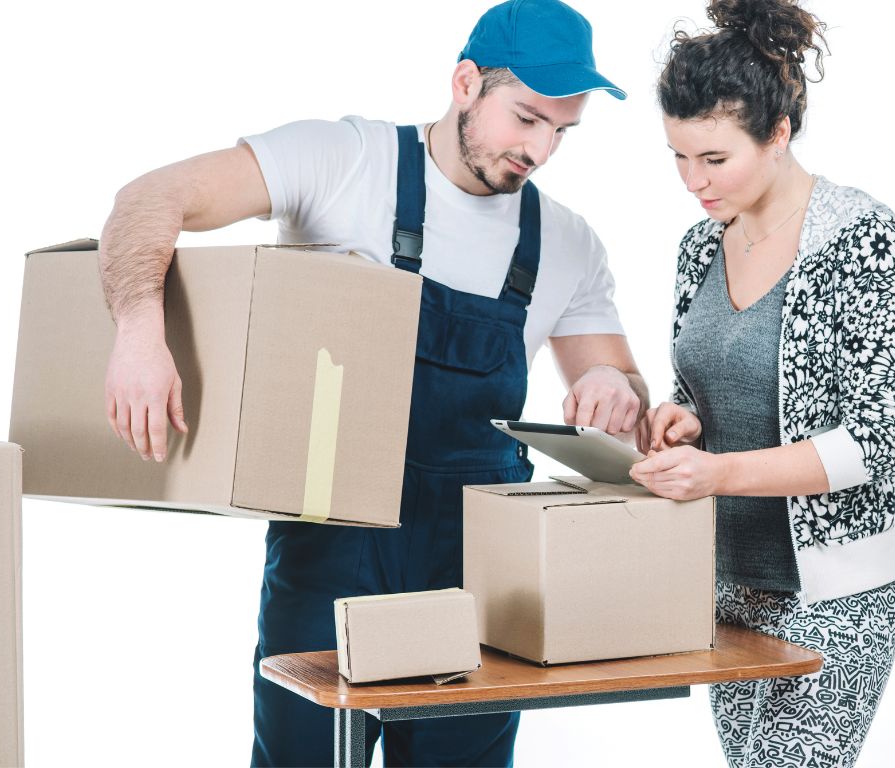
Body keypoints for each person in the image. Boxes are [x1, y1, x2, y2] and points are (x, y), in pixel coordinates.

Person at [96, 1, 647, 765]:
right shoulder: (344, 160)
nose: (542, 150)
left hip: (476, 568)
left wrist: (619, 390)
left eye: (562, 131)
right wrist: (138, 332)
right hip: (333, 549)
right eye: (526, 119)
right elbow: (148, 200)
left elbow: (619, 384)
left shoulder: (567, 243)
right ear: (464, 83)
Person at [630, 0, 895, 765]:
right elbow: (707, 386)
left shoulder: (864, 240)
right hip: (731, 588)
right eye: (678, 157)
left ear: (780, 133)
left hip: (838, 594)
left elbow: (879, 437)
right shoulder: (700, 246)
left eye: (715, 160)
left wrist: (718, 471)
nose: (693, 181)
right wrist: (684, 420)